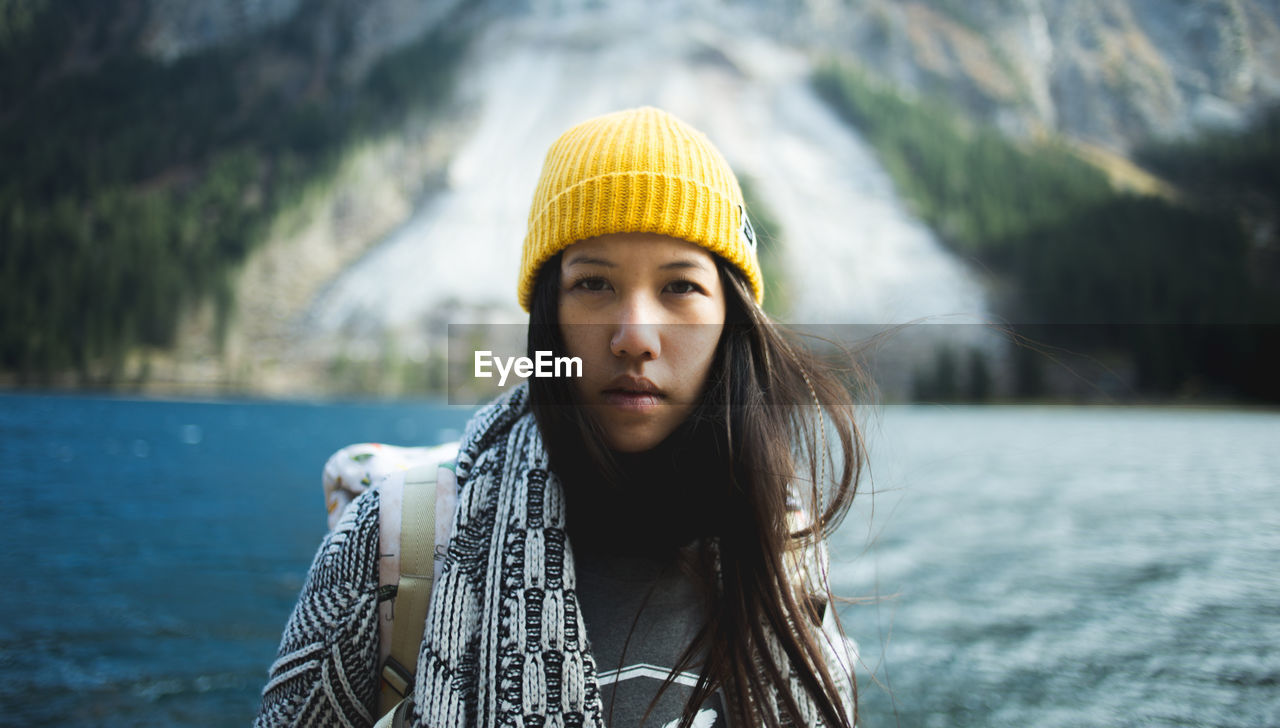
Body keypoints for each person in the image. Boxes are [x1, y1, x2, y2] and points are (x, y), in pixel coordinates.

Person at [256, 106, 866, 728]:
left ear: (730, 323)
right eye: (594, 285)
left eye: (680, 287)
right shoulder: (389, 546)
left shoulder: (785, 553)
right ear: (548, 317)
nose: (634, 337)